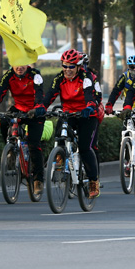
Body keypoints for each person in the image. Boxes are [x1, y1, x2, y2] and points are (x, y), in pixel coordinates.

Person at [44, 49, 101, 198]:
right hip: (69, 113)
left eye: (71, 66)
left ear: (78, 67)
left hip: (87, 114)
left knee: (84, 148)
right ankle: (59, 159)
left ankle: (93, 181)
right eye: (65, 66)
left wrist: (89, 107)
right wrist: (40, 108)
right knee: (59, 134)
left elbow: (90, 94)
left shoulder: (86, 78)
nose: (67, 70)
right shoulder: (59, 79)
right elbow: (50, 95)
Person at [0, 63, 46, 197]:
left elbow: (39, 94)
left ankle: (38, 180)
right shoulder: (8, 76)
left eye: (22, 65)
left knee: (34, 144)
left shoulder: (35, 75)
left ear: (27, 65)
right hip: (19, 109)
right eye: (16, 65)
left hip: (35, 111)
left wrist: (37, 108)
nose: (19, 67)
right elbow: (0, 92)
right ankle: (11, 149)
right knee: (3, 122)